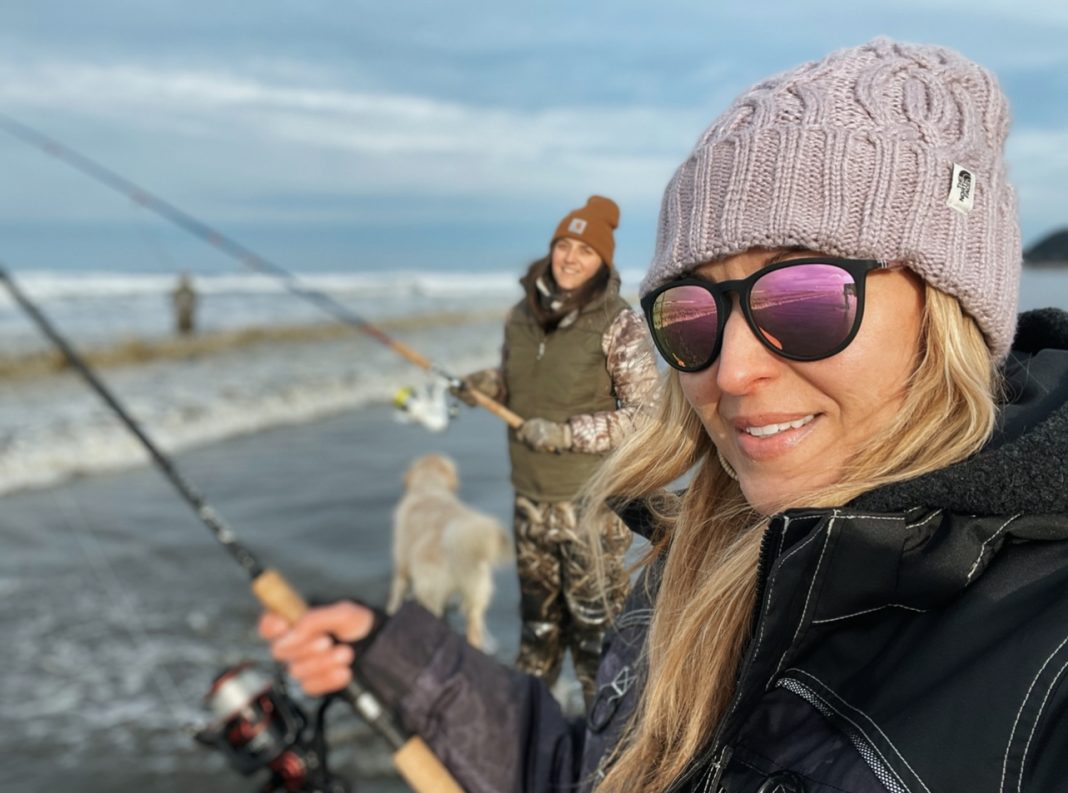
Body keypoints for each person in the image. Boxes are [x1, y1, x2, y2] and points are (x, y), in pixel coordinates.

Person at [260, 38, 1068, 792]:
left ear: (949, 313)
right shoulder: (698, 558)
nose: (733, 370)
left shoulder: (1042, 654)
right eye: (689, 315)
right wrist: (398, 656)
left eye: (805, 297)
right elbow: (592, 768)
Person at [450, 194, 659, 705]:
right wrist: (489, 385)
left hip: (590, 508)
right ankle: (525, 736)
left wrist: (568, 434)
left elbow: (647, 416)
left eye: (584, 251)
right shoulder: (520, 315)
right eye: (564, 244)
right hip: (530, 502)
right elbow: (523, 382)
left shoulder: (619, 322)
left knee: (597, 641)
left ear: (602, 262)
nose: (570, 258)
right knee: (537, 634)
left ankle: (602, 751)